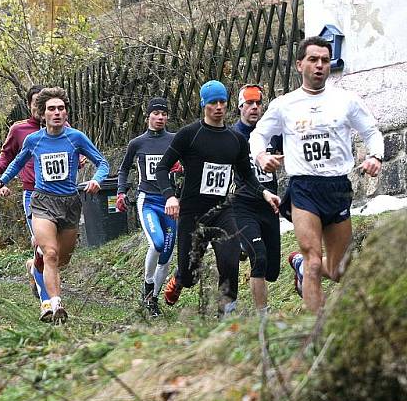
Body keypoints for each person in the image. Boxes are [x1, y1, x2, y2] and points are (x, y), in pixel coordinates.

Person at [251, 36, 384, 313]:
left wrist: (375, 156)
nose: (320, 65)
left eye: (325, 60)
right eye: (313, 59)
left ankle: (298, 264)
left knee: (338, 271)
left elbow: (371, 132)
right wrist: (262, 155)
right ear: (300, 64)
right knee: (314, 261)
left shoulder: (345, 100)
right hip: (304, 188)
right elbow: (258, 134)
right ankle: (316, 333)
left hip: (337, 188)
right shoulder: (285, 104)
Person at [0, 87, 110, 323]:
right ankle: (54, 304)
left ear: (66, 113)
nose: (56, 113)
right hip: (42, 201)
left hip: (70, 203)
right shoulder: (34, 140)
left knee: (62, 258)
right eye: (51, 109)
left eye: (61, 109)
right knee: (51, 253)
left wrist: (97, 179)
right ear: (43, 114)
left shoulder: (76, 137)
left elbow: (102, 162)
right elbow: (15, 163)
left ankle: (35, 264)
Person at [157, 80, 280, 316]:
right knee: (190, 274)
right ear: (204, 105)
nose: (219, 107)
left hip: (222, 211)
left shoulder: (235, 140)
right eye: (213, 102)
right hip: (193, 213)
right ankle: (180, 277)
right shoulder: (189, 135)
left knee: (230, 261)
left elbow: (247, 176)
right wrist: (170, 197)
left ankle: (226, 314)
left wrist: (264, 192)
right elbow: (162, 168)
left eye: (222, 102)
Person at [0, 85, 53, 314]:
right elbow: (6, 156)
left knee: (58, 251)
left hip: (59, 196)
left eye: (44, 103)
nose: (41, 108)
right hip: (32, 194)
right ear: (29, 104)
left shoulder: (60, 126)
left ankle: (34, 268)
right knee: (43, 246)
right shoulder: (20, 129)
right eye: (36, 103)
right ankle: (46, 303)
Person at [116, 97, 177, 318]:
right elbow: (123, 169)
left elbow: (187, 165)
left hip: (170, 203)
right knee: (158, 243)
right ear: (148, 115)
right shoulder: (137, 143)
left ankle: (152, 299)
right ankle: (147, 283)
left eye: (164, 114)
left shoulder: (174, 139)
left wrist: (180, 170)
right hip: (148, 200)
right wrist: (121, 191)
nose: (160, 117)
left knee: (167, 256)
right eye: (156, 113)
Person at [231, 84, 283, 314]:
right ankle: (264, 316)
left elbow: (288, 155)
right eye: (249, 103)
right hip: (243, 206)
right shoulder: (232, 136)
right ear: (240, 106)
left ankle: (245, 245)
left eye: (258, 103)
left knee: (272, 271)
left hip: (269, 206)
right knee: (259, 259)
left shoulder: (271, 133)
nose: (254, 108)